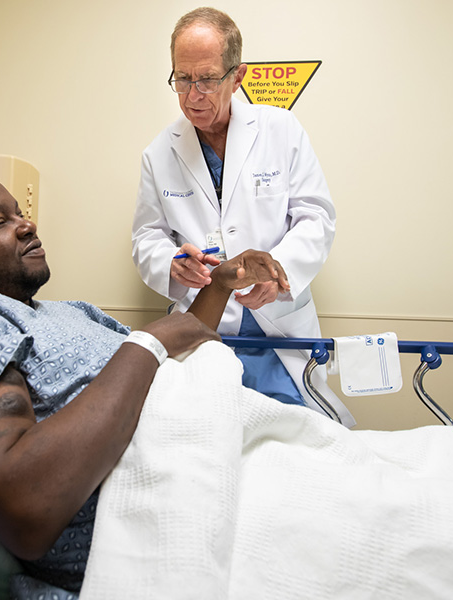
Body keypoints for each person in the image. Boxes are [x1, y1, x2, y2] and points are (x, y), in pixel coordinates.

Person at [0, 171, 290, 599]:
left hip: (242, 468)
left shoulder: (69, 311)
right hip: (174, 525)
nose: (28, 224)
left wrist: (220, 283)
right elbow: (24, 505)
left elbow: (172, 359)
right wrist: (149, 342)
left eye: (19, 213)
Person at [131, 7, 354, 427]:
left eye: (208, 79)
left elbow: (316, 218)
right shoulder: (158, 153)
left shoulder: (281, 130)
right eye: (182, 78)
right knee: (203, 436)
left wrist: (279, 271)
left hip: (278, 330)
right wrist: (173, 265)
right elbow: (147, 238)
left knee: (298, 437)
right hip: (202, 325)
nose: (193, 94)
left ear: (238, 76)